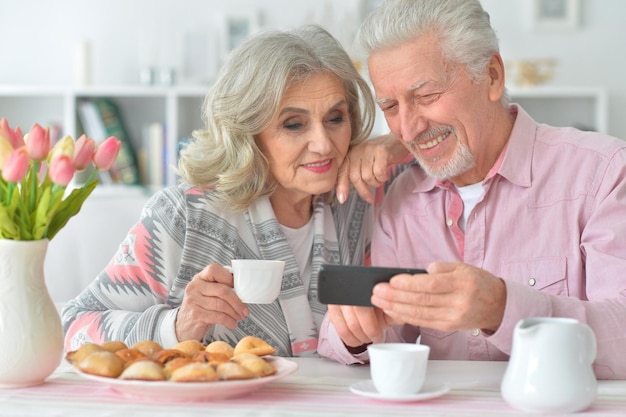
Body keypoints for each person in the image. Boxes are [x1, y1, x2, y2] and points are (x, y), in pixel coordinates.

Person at [318, 0, 626, 379]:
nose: (409, 129)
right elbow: (383, 340)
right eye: (391, 106)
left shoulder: (604, 173)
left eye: (426, 96)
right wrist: (352, 329)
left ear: (492, 76)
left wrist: (503, 308)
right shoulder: (400, 198)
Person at [62, 24, 380, 358]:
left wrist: (392, 146)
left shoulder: (359, 203)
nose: (323, 143)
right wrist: (177, 327)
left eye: (335, 118)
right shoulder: (183, 218)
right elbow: (76, 328)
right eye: (293, 124)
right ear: (248, 132)